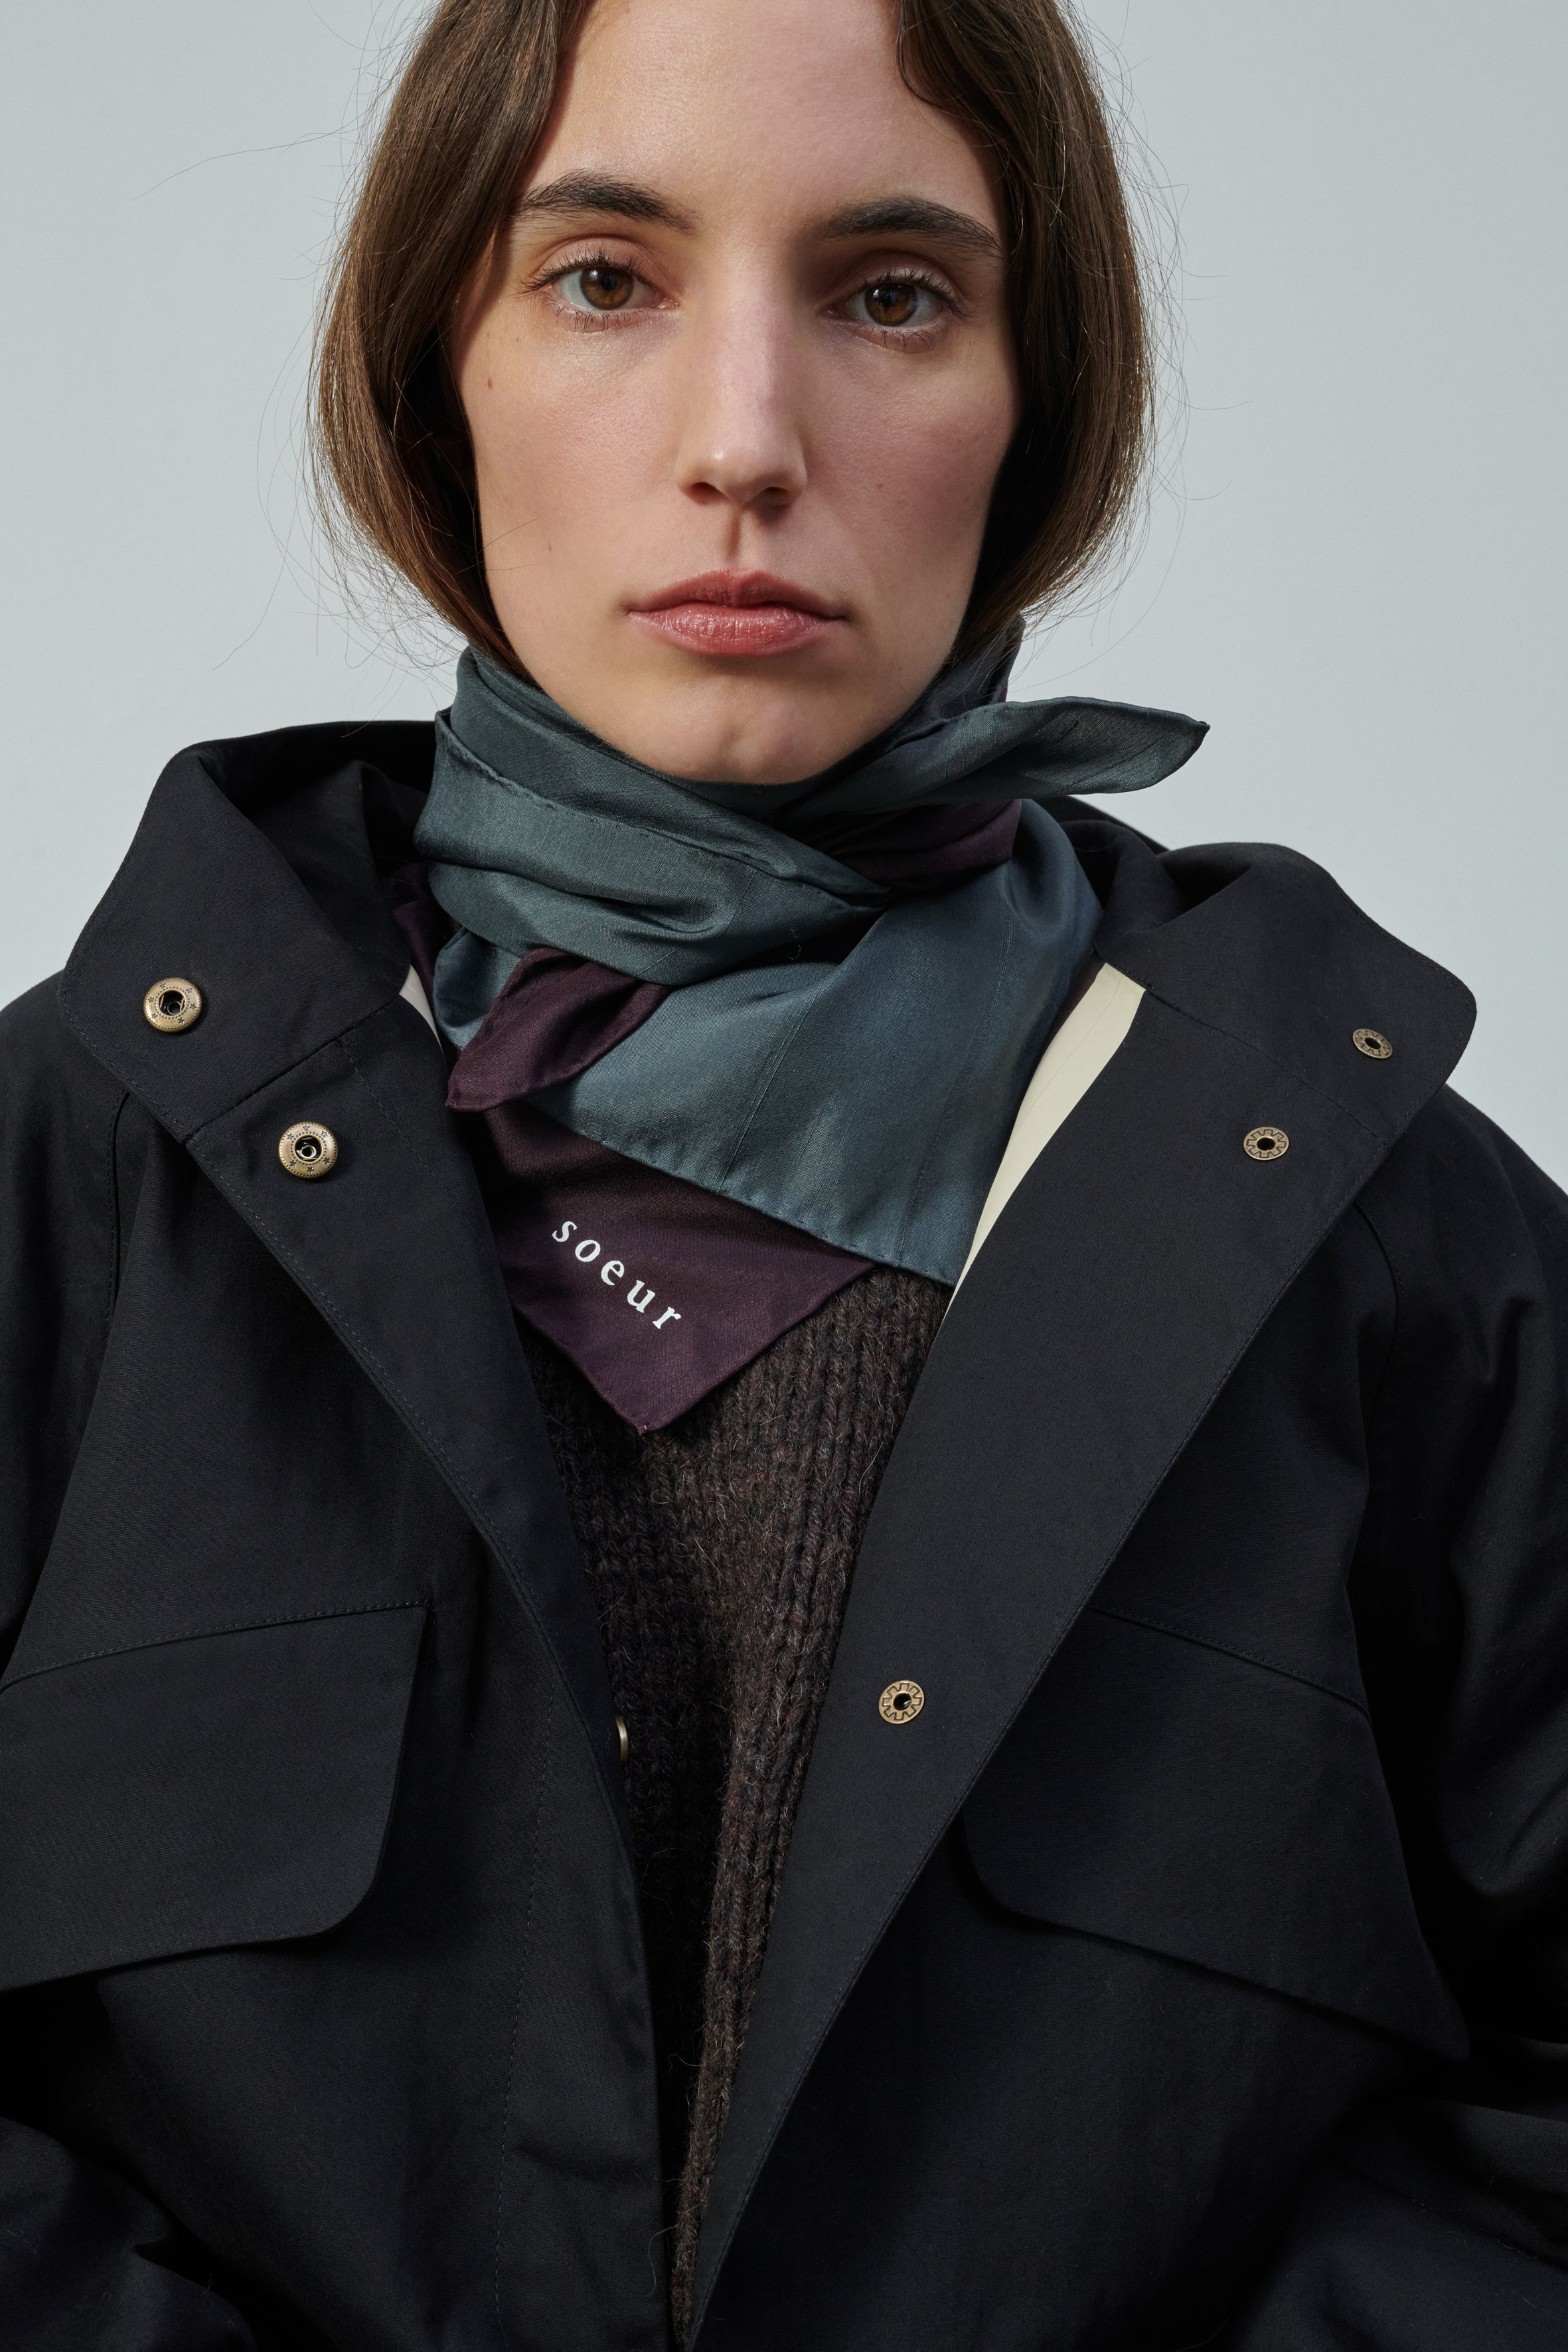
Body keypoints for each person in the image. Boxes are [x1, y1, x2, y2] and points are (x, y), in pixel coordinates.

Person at [1, 0, 1564, 2343]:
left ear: (1037, 396)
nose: (742, 443)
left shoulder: (1387, 1246)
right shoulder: (75, 1178)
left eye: (892, 293)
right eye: (601, 280)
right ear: (439, 372)